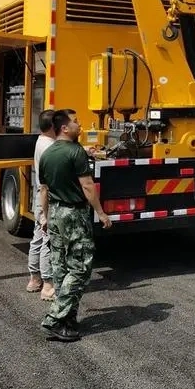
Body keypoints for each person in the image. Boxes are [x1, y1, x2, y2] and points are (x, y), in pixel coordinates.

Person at [38, 108, 112, 342]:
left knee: (61, 267)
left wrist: (46, 217)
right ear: (64, 128)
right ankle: (54, 318)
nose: (80, 126)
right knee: (80, 268)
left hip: (56, 212)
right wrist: (100, 212)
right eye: (76, 123)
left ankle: (68, 319)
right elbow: (88, 186)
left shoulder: (48, 154)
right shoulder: (75, 152)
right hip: (74, 214)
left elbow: (44, 190)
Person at [26, 109, 56, 300]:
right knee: (48, 239)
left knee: (38, 237)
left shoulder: (42, 141)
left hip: (40, 196)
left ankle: (34, 279)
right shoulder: (50, 148)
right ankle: (47, 285)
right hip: (48, 198)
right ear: (54, 126)